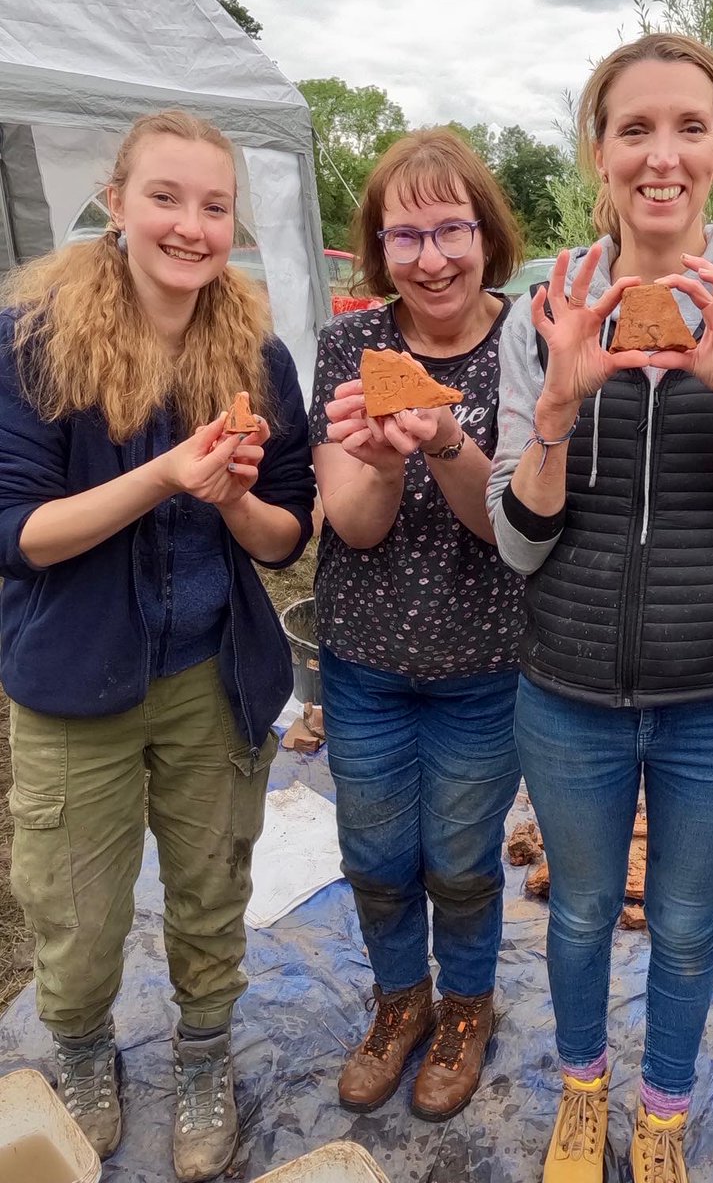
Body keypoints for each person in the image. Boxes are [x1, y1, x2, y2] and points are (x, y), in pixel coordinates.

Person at [487, 33, 713, 1183]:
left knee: (686, 928)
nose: (660, 156)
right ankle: (582, 1097)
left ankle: (666, 1109)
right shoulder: (545, 309)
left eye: (688, 127)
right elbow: (516, 543)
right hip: (568, 690)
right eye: (633, 128)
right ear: (596, 148)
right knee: (580, 916)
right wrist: (560, 401)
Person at [0, 111, 315, 1181]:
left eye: (213, 205)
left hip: (210, 676)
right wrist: (163, 477)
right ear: (116, 202)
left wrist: (229, 501)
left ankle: (200, 1053)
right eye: (166, 198)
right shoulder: (34, 341)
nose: (190, 225)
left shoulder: (256, 354)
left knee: (210, 886)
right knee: (75, 909)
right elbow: (21, 537)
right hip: (70, 680)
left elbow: (286, 534)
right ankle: (84, 1051)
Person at [309, 128, 527, 1123]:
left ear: (486, 233)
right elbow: (352, 524)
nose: (431, 256)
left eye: (452, 228)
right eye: (406, 235)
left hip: (487, 661)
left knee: (462, 857)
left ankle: (466, 1011)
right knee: (377, 853)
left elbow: (510, 528)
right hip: (366, 662)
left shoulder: (526, 343)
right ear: (377, 248)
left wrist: (444, 439)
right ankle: (401, 1005)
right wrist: (385, 456)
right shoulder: (348, 348)